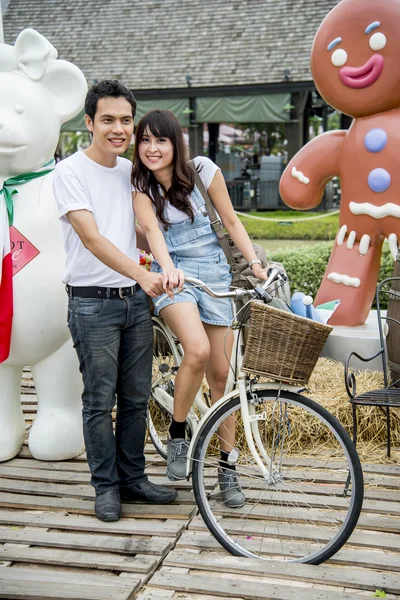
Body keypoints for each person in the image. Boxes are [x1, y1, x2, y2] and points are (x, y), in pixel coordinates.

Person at [53, 82, 178, 523]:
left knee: (136, 396)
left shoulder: (131, 172)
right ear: (89, 123)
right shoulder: (69, 172)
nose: (119, 128)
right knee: (98, 398)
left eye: (126, 120)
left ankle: (134, 479)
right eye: (108, 119)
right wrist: (146, 274)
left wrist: (167, 262)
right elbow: (91, 237)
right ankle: (105, 486)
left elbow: (146, 229)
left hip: (133, 303)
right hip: (92, 305)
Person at [131, 109, 270, 508]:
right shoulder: (140, 187)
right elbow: (153, 233)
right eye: (145, 141)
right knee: (198, 349)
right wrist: (169, 269)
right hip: (173, 275)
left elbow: (231, 221)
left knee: (223, 376)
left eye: (161, 140)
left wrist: (256, 265)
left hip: (214, 272)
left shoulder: (204, 171)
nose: (152, 149)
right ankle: (178, 434)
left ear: (176, 143)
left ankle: (228, 466)